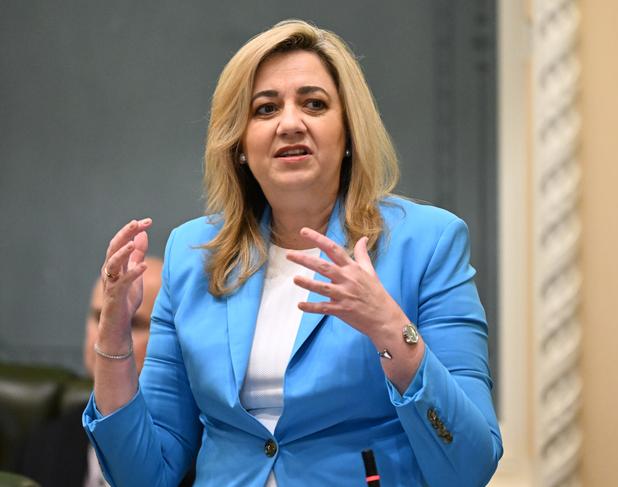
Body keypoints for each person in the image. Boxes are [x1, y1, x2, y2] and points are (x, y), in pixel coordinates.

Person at [83, 19, 503, 486]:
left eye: (314, 104)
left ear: (348, 133)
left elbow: (470, 463)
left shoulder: (427, 243)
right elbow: (144, 475)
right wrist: (116, 334)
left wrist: (388, 326)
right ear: (240, 144)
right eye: (265, 109)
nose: (289, 123)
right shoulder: (192, 254)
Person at [18, 258, 187, 487]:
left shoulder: (208, 453)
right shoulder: (45, 442)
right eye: (100, 317)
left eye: (132, 322)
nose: (104, 338)